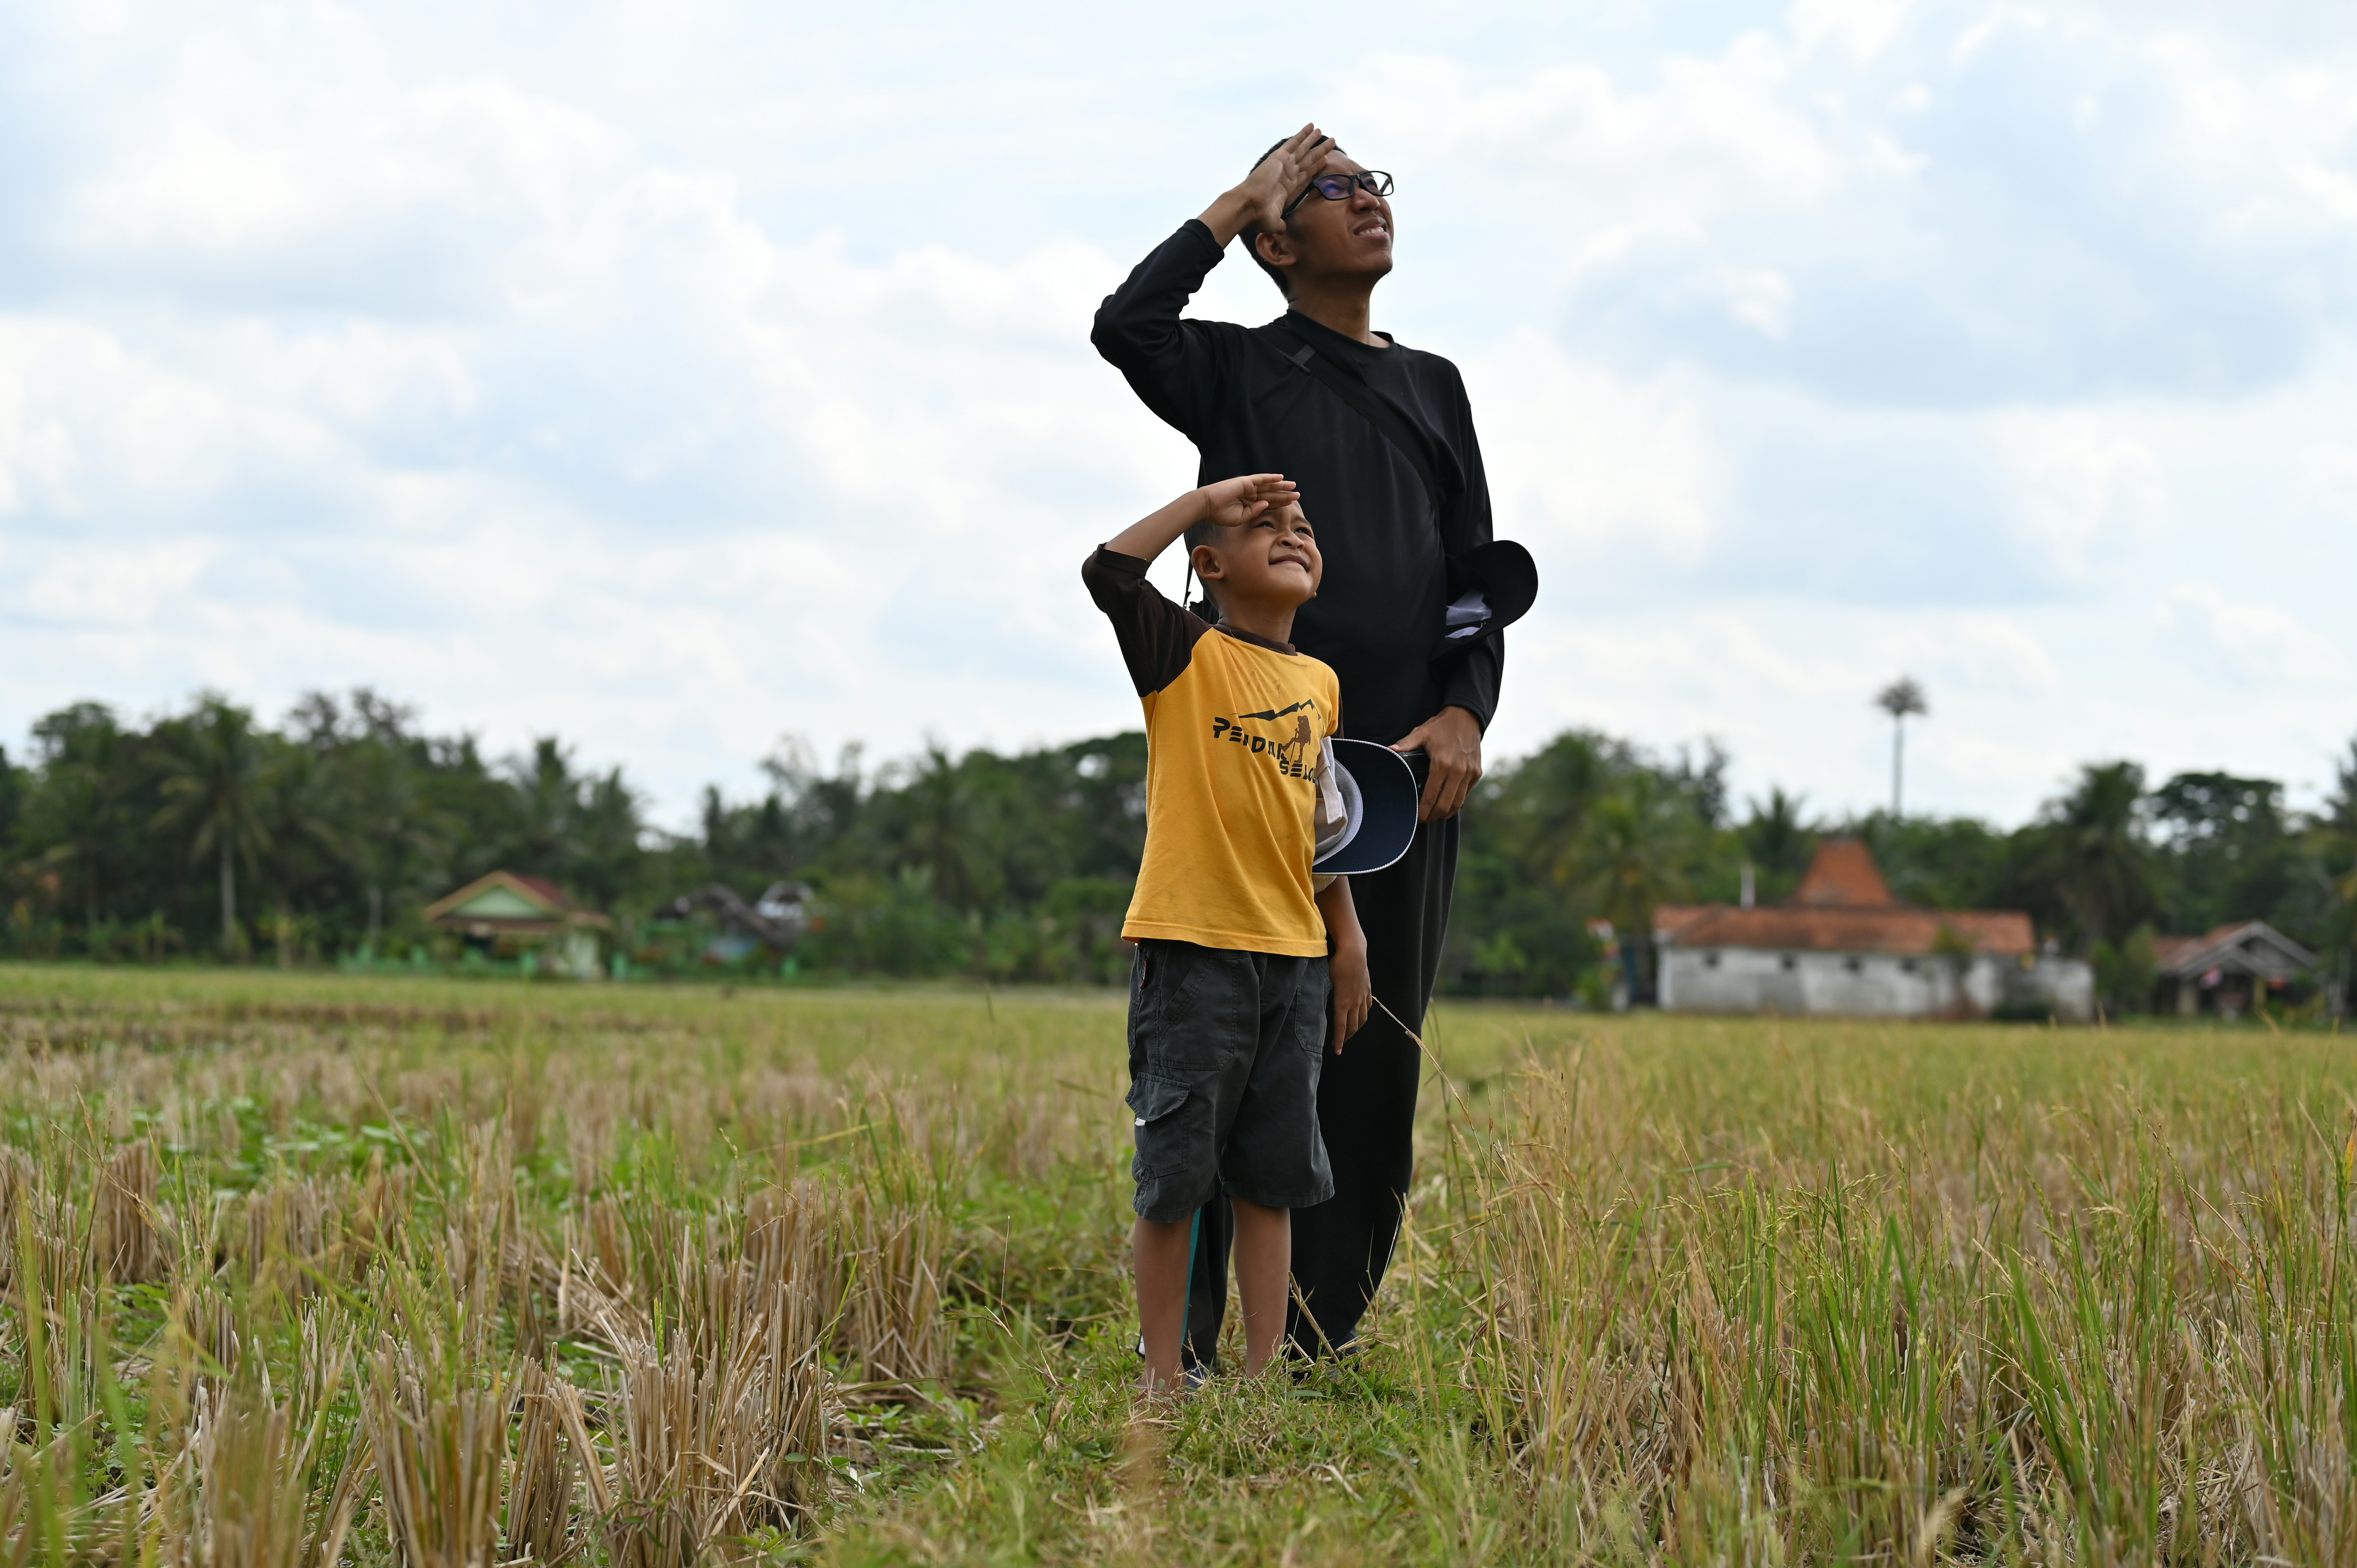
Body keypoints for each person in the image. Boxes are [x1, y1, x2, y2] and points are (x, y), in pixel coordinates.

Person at [1092, 125, 1503, 1364]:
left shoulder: (1436, 384)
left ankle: (1317, 1343)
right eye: (1334, 190)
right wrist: (1233, 202)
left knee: (1372, 1060)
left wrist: (1468, 707)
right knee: (1241, 1050)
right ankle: (1204, 1349)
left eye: (1376, 185)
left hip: (1405, 775)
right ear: (1280, 239)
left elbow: (1478, 574)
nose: (1370, 202)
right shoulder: (1241, 371)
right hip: (1266, 760)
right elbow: (1127, 327)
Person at [1083, 471, 1373, 1393]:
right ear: (1209, 564)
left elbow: (1320, 826)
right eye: (1268, 526)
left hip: (1292, 957)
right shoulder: (1185, 653)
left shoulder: (1320, 683)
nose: (1295, 534)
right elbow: (1109, 572)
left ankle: (1258, 1377)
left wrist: (1348, 937)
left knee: (1275, 1176)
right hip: (1192, 950)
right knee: (1175, 1172)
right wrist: (1210, 498)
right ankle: (1166, 1375)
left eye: (1305, 525)